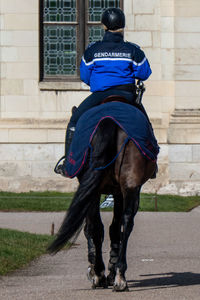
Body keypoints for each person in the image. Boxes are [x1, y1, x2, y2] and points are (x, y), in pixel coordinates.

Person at [56, 7, 152, 176]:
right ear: (122, 26)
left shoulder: (93, 50)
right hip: (126, 95)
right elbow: (144, 73)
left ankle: (68, 164)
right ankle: (151, 164)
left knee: (74, 122)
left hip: (99, 96)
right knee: (146, 124)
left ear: (103, 26)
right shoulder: (133, 50)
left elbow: (85, 76)